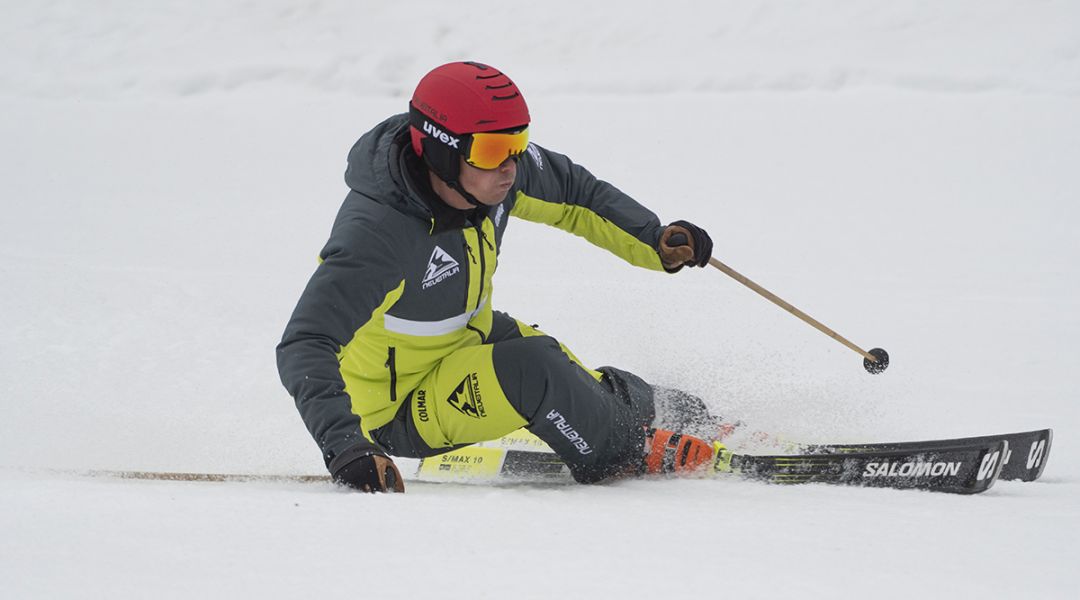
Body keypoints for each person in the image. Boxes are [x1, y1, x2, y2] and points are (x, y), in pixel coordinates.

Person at [277, 61, 719, 493]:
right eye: (492, 151)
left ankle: (667, 413)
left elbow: (575, 194)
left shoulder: (488, 175)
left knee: (564, 370)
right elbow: (306, 342)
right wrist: (347, 447)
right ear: (440, 150)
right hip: (399, 408)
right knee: (536, 371)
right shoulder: (378, 237)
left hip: (464, 339)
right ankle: (625, 451)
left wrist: (653, 238)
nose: (510, 166)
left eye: (518, 143)